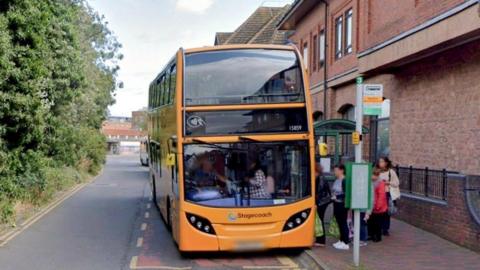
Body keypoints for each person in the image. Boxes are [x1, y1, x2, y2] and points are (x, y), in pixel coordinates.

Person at [376, 156, 400, 236]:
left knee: (386, 212)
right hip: (378, 194)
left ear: (386, 163)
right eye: (379, 161)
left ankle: (385, 229)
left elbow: (397, 183)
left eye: (382, 161)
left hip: (387, 193)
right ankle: (379, 227)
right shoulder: (377, 171)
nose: (380, 163)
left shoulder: (391, 172)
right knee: (378, 210)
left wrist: (388, 183)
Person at [331, 164, 350, 250]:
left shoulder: (344, 180)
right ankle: (341, 240)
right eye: (334, 170)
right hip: (336, 203)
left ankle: (346, 242)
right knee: (339, 222)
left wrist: (337, 197)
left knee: (343, 222)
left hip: (342, 204)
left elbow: (346, 193)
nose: (335, 172)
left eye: (336, 170)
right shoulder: (337, 180)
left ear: (341, 170)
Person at [368, 168, 388, 242]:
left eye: (372, 175)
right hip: (373, 206)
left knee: (377, 224)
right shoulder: (372, 182)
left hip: (378, 208)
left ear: (377, 175)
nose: (371, 176)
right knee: (371, 222)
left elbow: (381, 196)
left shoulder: (380, 183)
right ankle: (372, 235)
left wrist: (377, 207)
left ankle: (378, 237)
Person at [314, 164, 331, 246]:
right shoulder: (319, 177)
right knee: (319, 220)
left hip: (322, 202)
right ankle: (319, 239)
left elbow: (319, 193)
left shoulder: (320, 178)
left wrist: (317, 203)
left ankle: (321, 241)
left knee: (320, 220)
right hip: (322, 201)